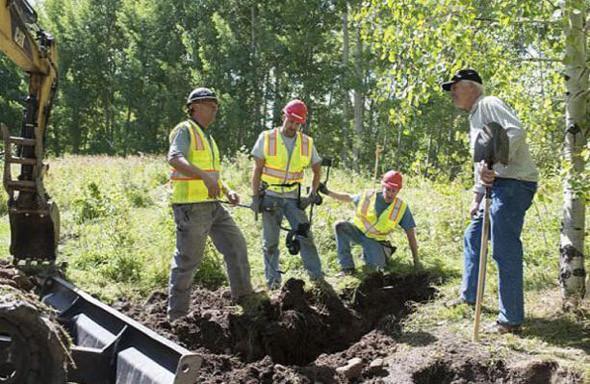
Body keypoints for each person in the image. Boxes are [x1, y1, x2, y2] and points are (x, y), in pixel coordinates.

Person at [442, 69, 538, 334]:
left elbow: (515, 131)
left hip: (513, 184)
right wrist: (477, 196)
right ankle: (470, 295)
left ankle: (511, 320)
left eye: (456, 87)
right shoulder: (474, 117)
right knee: (473, 236)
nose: (452, 92)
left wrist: (496, 164)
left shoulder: (488, 103)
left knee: (504, 248)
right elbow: (482, 164)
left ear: (472, 87)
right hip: (494, 187)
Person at [167, 87, 253, 321]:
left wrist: (227, 190)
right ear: (194, 107)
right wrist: (204, 178)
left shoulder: (207, 137)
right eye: (210, 106)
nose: (215, 111)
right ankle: (177, 318)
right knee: (187, 261)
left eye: (216, 107)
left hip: (213, 205)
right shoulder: (185, 130)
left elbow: (212, 173)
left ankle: (246, 301)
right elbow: (174, 158)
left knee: (236, 246)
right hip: (191, 207)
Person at [250, 99, 324, 289]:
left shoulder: (307, 143)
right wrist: (254, 197)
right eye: (290, 121)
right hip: (270, 196)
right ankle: (273, 282)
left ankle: (317, 277)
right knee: (271, 242)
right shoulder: (267, 137)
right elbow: (257, 170)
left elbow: (317, 169)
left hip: (294, 198)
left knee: (305, 235)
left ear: (302, 123)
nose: (293, 126)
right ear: (284, 116)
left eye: (297, 123)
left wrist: (312, 193)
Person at [319, 170, 419, 274]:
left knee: (376, 270)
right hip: (358, 233)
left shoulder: (401, 208)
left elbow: (411, 235)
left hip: (375, 241)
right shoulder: (369, 196)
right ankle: (347, 268)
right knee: (340, 226)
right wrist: (327, 192)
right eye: (388, 189)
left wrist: (416, 261)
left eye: (394, 191)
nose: (390, 194)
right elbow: (348, 198)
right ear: (382, 186)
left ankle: (378, 254)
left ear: (398, 191)